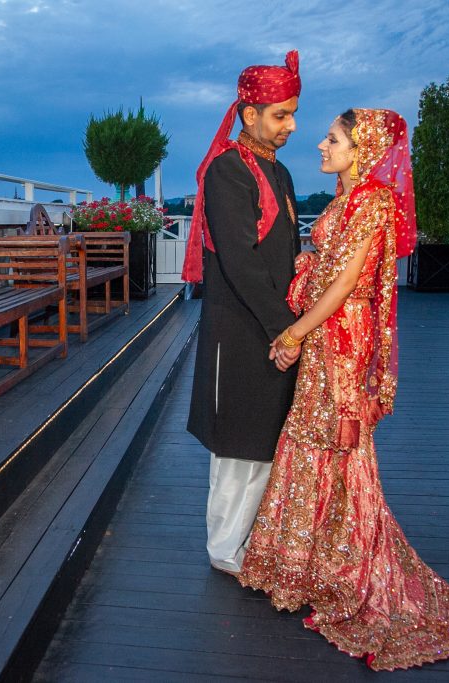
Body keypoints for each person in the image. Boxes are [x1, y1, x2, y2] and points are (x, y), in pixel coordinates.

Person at [237, 108, 449, 670]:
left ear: (362, 149)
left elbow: (348, 281)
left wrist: (293, 332)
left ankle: (347, 571)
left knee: (340, 446)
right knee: (312, 437)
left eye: (333, 139)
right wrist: (308, 264)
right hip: (328, 333)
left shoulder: (372, 200)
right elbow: (331, 263)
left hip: (343, 338)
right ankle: (308, 567)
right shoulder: (344, 200)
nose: (321, 146)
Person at [182, 51, 303, 575]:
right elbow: (239, 261)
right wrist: (286, 330)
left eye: (292, 114)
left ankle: (251, 540)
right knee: (239, 444)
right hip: (241, 326)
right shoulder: (228, 171)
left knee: (265, 438)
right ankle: (225, 549)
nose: (291, 126)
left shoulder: (279, 171)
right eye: (281, 115)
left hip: (272, 324)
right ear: (249, 114)